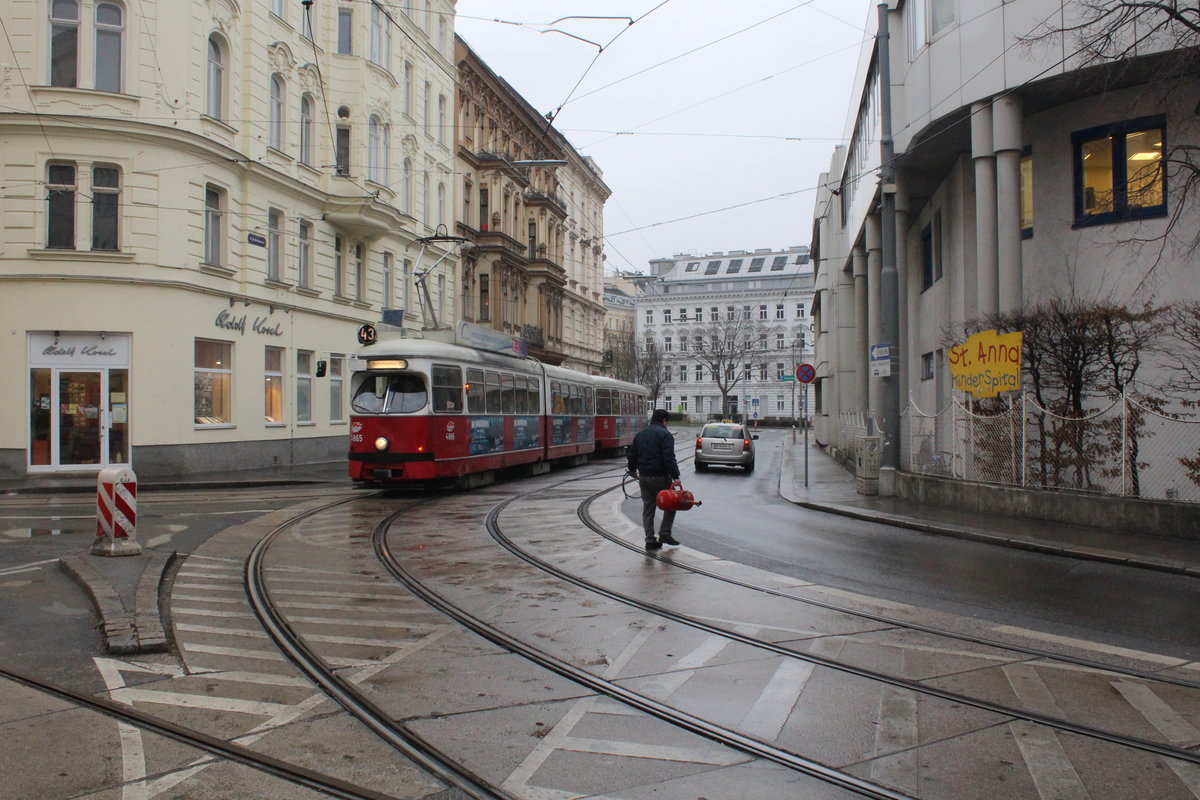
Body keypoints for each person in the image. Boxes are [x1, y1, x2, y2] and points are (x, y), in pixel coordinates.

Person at [627, 408, 681, 550]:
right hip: (660, 477)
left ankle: (650, 539)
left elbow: (631, 454)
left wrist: (632, 470)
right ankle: (664, 533)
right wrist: (675, 476)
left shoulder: (640, 434)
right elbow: (669, 458)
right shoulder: (665, 435)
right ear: (664, 420)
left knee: (648, 508)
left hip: (644, 476)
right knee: (672, 504)